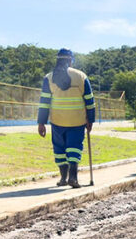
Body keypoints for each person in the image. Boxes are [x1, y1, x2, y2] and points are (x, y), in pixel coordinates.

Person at [37, 48, 95, 189]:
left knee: (59, 149)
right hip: (77, 121)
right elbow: (89, 100)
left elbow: (44, 101)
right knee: (74, 148)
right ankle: (73, 178)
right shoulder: (81, 76)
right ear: (70, 60)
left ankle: (63, 178)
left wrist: (41, 122)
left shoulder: (49, 78)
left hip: (57, 121)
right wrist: (91, 119)